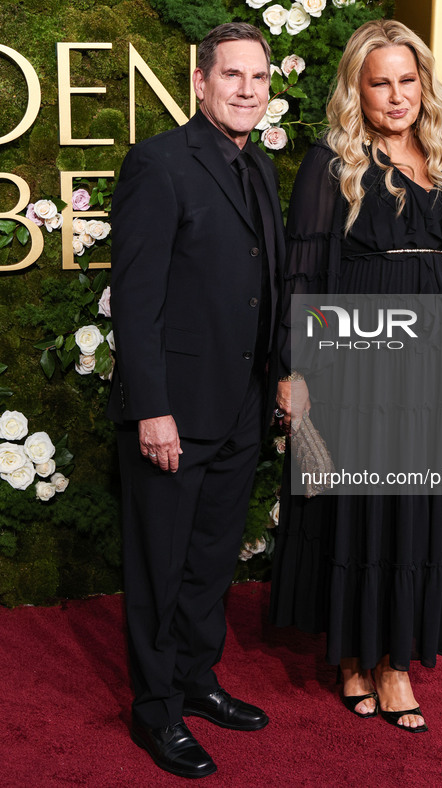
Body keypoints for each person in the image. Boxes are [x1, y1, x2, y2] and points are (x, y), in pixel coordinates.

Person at [271, 19, 442, 732]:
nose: (396, 96)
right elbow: (301, 268)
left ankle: (394, 661)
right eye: (379, 83)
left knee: (420, 511)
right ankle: (353, 656)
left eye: (406, 80)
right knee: (362, 509)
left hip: (429, 375)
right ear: (356, 91)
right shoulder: (331, 162)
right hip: (357, 368)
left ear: (421, 83)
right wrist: (294, 370)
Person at [107, 23, 285, 778]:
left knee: (211, 559)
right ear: (200, 83)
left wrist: (277, 374)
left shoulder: (263, 168)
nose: (247, 90)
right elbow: (136, 300)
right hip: (174, 408)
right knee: (160, 564)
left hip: (241, 401)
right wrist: (152, 407)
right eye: (232, 76)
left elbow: (263, 285)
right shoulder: (159, 164)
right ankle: (156, 711)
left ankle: (195, 679)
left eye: (258, 78)